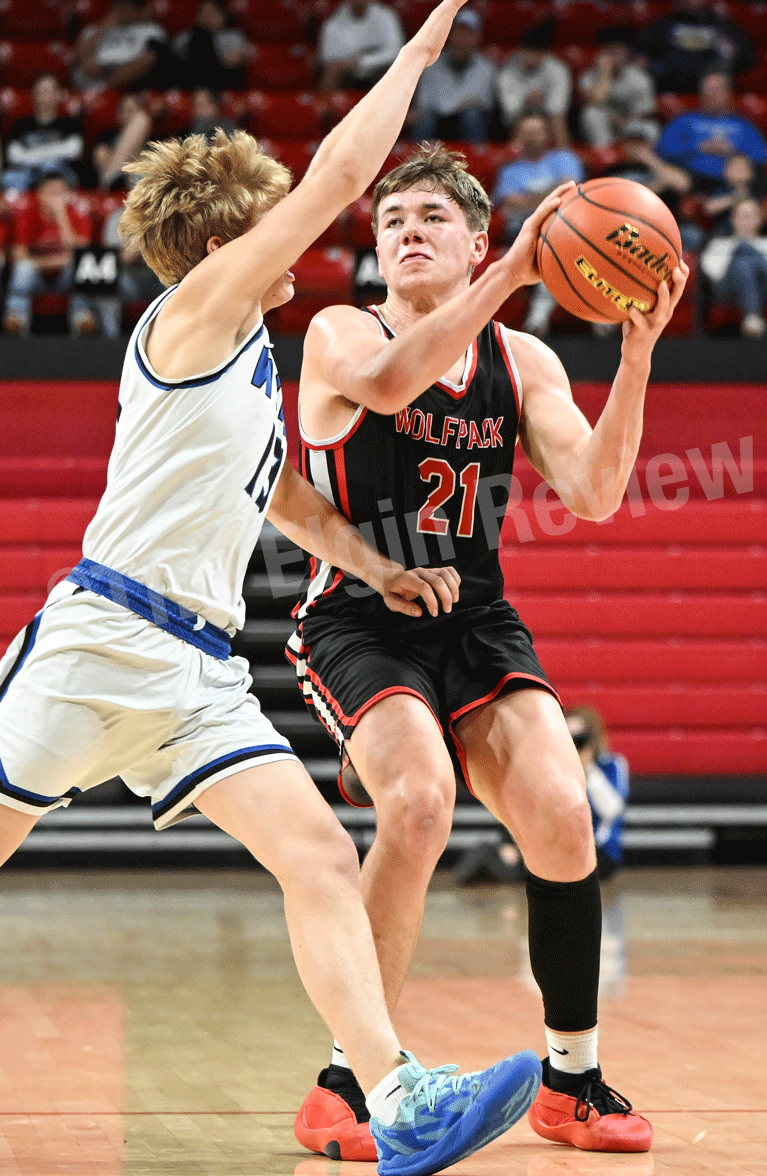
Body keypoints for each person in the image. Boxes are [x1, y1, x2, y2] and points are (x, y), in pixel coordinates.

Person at [0, 6, 545, 1174]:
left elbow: (285, 497)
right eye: (271, 216)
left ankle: (395, 1099)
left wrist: (380, 567)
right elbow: (341, 174)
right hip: (100, 641)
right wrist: (416, 56)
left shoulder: (246, 357)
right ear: (225, 240)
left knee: (318, 858)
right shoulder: (196, 309)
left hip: (198, 672)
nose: (299, 227)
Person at [288, 142, 687, 1161]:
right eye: (391, 221)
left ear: (473, 240)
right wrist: (515, 270)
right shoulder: (342, 331)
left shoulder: (523, 360)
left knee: (561, 812)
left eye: (431, 217)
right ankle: (347, 1080)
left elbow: (592, 494)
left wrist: (636, 357)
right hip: (358, 616)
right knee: (419, 803)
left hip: (473, 617)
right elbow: (387, 388)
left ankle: (571, 1080)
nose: (406, 232)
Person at [492, 112, 584, 334]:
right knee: (544, 244)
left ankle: (539, 317)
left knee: (558, 238)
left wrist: (527, 199)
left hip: (565, 226)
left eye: (537, 132)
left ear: (548, 134)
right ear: (517, 137)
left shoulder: (564, 158)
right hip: (524, 232)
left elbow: (572, 192)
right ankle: (538, 317)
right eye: (526, 132)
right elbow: (508, 206)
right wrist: (552, 192)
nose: (531, 137)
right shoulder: (509, 170)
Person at [2, 167, 97, 336]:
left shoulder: (77, 215)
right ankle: (16, 318)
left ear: (68, 195)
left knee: (79, 267)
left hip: (64, 278)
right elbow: (18, 256)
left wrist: (61, 216)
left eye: (60, 193)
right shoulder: (28, 214)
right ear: (40, 195)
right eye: (51, 192)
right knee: (24, 269)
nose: (55, 198)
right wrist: (58, 261)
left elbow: (82, 256)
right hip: (36, 277)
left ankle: (82, 318)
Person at [656, 70, 767, 196]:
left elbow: (761, 155)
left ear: (728, 93)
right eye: (706, 91)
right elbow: (663, 149)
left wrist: (733, 150)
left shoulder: (742, 124)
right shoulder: (684, 120)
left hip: (732, 183)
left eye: (716, 90)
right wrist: (698, 147)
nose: (710, 95)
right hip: (691, 178)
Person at [408, 7, 497, 144]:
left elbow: (483, 103)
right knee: (425, 118)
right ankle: (420, 156)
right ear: (450, 33)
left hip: (467, 122)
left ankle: (476, 155)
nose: (463, 38)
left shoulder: (486, 68)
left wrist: (447, 105)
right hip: (437, 122)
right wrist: (457, 105)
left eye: (468, 33)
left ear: (478, 37)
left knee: (472, 115)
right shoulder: (432, 64)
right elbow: (424, 103)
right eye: (459, 31)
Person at [637, 0, 755, 95]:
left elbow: (745, 59)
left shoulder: (722, 25)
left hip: (712, 90)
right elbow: (642, 56)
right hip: (669, 89)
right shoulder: (663, 25)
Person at [565, 707, 629, 882]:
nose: (574, 744)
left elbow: (613, 810)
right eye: (567, 737)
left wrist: (587, 768)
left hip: (600, 850)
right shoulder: (558, 768)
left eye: (579, 739)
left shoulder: (612, 765)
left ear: (592, 739)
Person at [578, 26, 658, 150]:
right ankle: (605, 155)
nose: (613, 56)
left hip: (629, 123)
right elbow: (594, 100)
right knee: (591, 114)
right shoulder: (589, 76)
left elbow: (646, 112)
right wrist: (605, 73)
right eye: (608, 51)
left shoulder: (639, 78)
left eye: (618, 51)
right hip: (604, 125)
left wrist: (623, 121)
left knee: (651, 128)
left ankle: (645, 159)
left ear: (627, 53)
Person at [496, 20, 572, 148]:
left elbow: (558, 110)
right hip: (518, 120)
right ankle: (517, 155)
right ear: (520, 51)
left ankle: (564, 155)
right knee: (524, 123)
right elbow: (511, 112)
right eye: (529, 51)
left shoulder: (558, 70)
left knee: (557, 119)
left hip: (550, 120)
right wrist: (527, 101)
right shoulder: (507, 73)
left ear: (545, 53)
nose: (532, 56)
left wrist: (541, 104)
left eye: (537, 51)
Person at [2, 74, 85, 192]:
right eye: (41, 91)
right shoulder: (21, 125)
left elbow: (74, 151)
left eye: (50, 91)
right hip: (28, 176)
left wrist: (29, 155)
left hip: (60, 176)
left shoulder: (70, 125)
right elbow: (14, 156)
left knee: (52, 166)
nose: (45, 96)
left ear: (58, 94)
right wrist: (59, 150)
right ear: (34, 95)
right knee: (9, 178)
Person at [71, 0, 173, 93]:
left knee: (149, 57)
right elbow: (80, 52)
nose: (122, 11)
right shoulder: (94, 29)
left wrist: (112, 76)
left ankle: (103, 88)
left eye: (126, 7)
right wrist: (106, 24)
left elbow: (153, 57)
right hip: (93, 71)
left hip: (127, 76)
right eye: (119, 7)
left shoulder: (151, 30)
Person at [700, 195, 767, 336]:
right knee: (742, 255)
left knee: (745, 252)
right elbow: (713, 276)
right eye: (742, 215)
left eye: (750, 215)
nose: (746, 220)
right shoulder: (719, 244)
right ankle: (751, 316)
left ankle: (752, 318)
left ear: (760, 219)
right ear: (733, 219)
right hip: (727, 289)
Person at [316, 0, 404, 95]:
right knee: (331, 70)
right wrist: (347, 64)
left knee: (394, 68)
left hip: (378, 69)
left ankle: (394, 103)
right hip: (347, 75)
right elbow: (326, 57)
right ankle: (328, 103)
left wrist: (362, 62)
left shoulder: (386, 16)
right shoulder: (334, 23)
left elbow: (396, 51)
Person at [172, 0, 252, 93]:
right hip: (191, 82)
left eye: (213, 12)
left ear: (223, 15)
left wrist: (210, 47)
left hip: (222, 81)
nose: (209, 17)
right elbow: (174, 57)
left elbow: (233, 62)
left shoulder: (233, 36)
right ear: (197, 17)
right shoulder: (187, 36)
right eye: (205, 13)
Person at [92, 93, 153, 191]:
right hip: (112, 185)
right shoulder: (105, 142)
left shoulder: (153, 145)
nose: (126, 116)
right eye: (123, 111)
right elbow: (101, 159)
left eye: (131, 111)